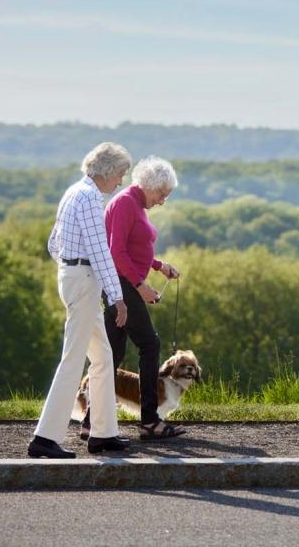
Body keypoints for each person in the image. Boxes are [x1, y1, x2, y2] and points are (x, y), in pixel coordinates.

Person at [27, 143, 133, 458]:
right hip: (84, 282)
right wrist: (117, 297)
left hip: (74, 277)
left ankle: (103, 434)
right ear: (109, 171)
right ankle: (45, 438)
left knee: (102, 357)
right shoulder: (89, 198)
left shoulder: (74, 192)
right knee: (73, 359)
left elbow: (53, 242)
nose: (121, 182)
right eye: (121, 175)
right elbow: (100, 251)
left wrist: (70, 270)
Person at [87, 154, 185, 440]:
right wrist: (141, 285)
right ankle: (149, 420)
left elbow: (136, 247)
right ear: (148, 185)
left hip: (124, 284)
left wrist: (159, 266)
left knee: (112, 354)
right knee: (150, 344)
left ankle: (91, 420)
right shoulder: (126, 204)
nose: (163, 200)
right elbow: (117, 252)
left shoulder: (136, 205)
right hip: (120, 286)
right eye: (161, 194)